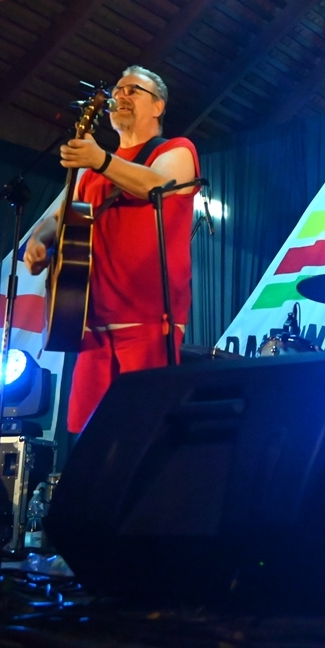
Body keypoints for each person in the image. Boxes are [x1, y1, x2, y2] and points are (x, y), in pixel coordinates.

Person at [24, 65, 198, 433]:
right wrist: (38, 241)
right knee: (88, 436)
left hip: (149, 320)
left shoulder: (176, 150)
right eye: (118, 90)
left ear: (158, 106)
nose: (120, 96)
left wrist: (100, 159)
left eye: (133, 90)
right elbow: (56, 218)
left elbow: (156, 185)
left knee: (143, 432)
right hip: (90, 323)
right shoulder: (91, 175)